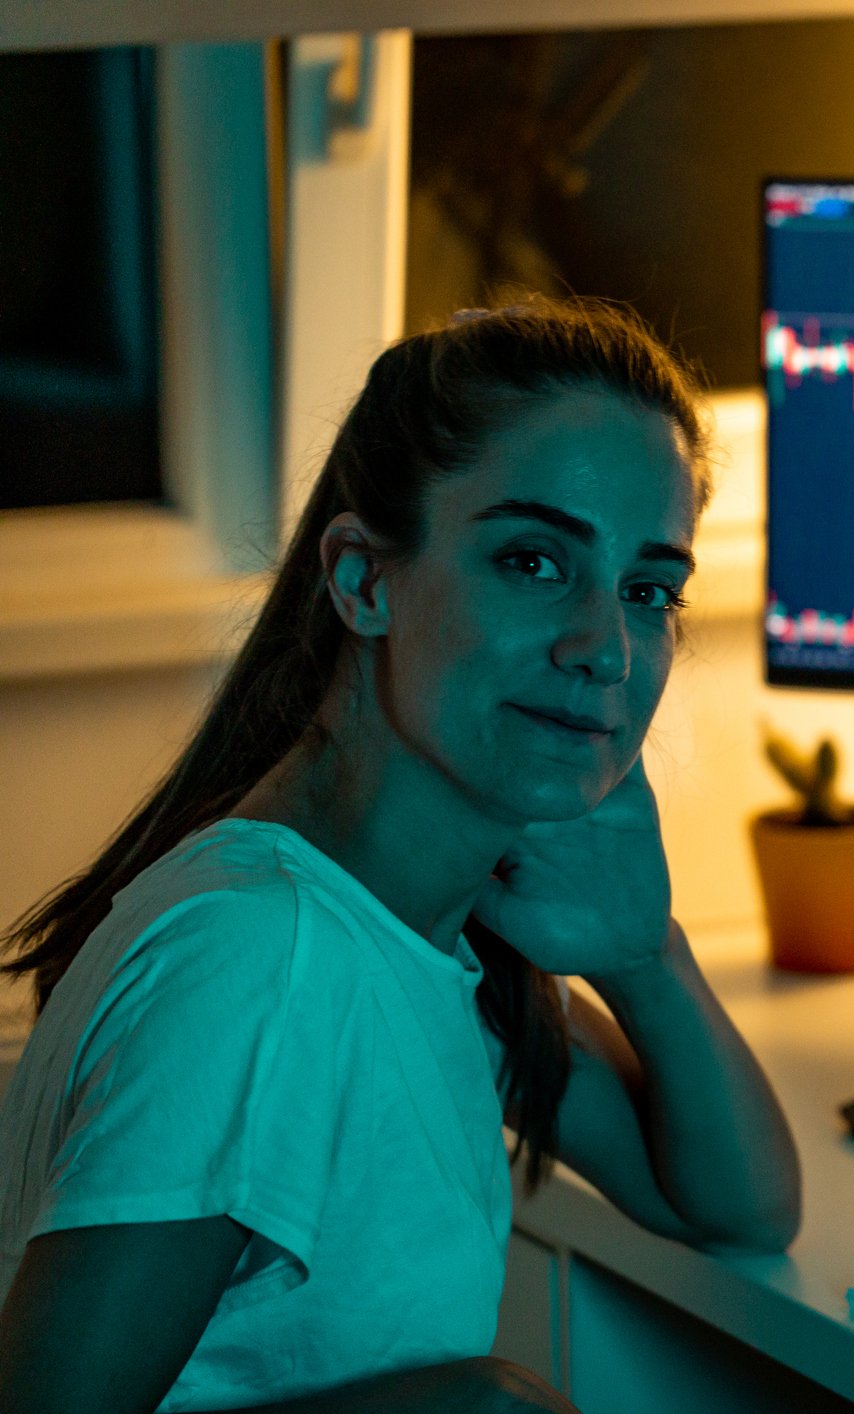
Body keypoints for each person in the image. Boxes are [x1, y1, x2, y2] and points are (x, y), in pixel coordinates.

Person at [0, 298, 801, 1413]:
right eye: (534, 561)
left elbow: (739, 1207)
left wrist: (644, 956)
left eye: (648, 590)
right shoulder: (268, 960)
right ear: (363, 580)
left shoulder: (417, 924)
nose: (606, 648)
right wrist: (466, 1405)